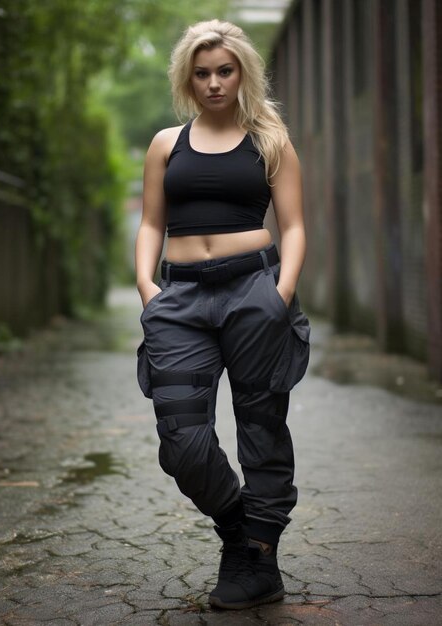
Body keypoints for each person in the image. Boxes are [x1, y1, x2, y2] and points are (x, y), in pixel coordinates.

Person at [135, 19, 310, 610]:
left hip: (253, 291)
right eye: (203, 72)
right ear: (189, 77)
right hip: (179, 299)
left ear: (243, 74)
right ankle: (239, 529)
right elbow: (151, 223)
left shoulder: (271, 140)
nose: (213, 83)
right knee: (181, 438)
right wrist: (145, 286)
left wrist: (280, 294)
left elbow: (294, 225)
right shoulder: (166, 143)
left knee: (261, 424)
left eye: (225, 71)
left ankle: (258, 560)